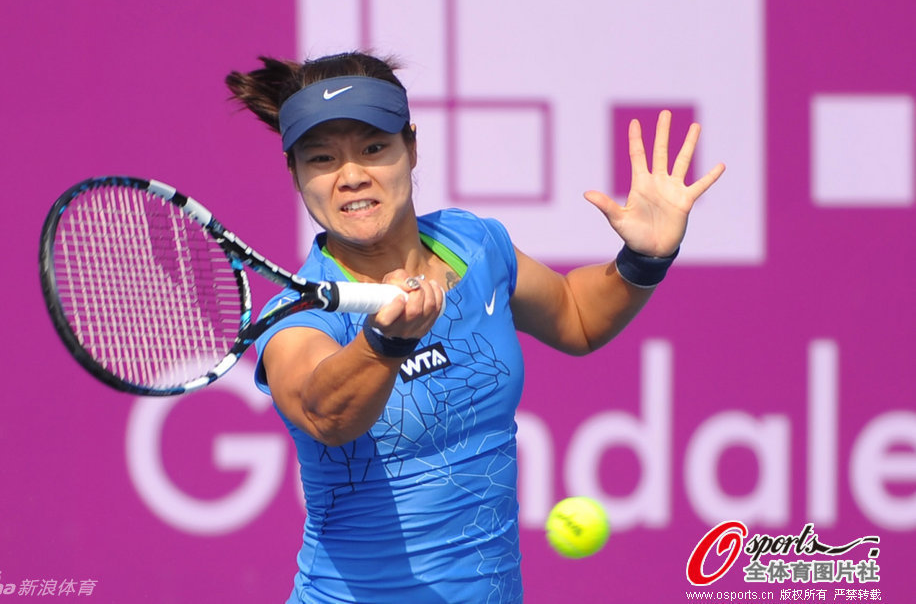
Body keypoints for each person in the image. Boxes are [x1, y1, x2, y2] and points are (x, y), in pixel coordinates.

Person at [225, 51, 725, 603]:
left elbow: (577, 316)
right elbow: (327, 413)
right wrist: (384, 343)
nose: (351, 176)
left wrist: (643, 258)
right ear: (295, 174)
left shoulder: (474, 244)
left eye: (374, 148)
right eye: (321, 158)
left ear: (411, 148)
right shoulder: (299, 314)